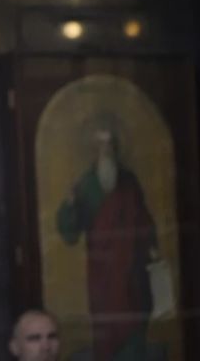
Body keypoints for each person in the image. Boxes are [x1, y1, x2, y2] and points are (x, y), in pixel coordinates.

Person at [56, 125, 157, 361]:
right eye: (100, 145)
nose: (106, 149)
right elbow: (70, 233)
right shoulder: (85, 185)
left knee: (134, 323)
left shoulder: (130, 181)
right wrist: (70, 207)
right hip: (103, 272)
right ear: (94, 150)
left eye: (109, 144)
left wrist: (151, 246)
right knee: (106, 327)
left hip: (133, 268)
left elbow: (144, 218)